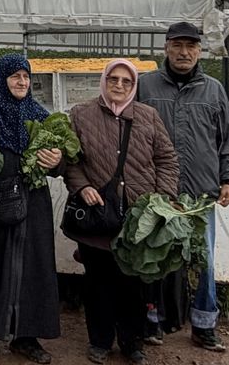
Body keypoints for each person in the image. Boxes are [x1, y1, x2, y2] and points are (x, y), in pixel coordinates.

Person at [136, 21, 229, 352]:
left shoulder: (213, 90)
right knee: (154, 258)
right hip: (158, 193)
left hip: (201, 194)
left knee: (205, 261)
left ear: (200, 50)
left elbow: (228, 139)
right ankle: (151, 320)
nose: (184, 52)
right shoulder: (145, 86)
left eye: (191, 46)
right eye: (178, 45)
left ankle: (204, 324)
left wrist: (228, 179)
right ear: (166, 47)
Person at [66, 60, 179, 365]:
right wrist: (82, 187)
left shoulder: (147, 116)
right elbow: (71, 161)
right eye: (113, 79)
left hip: (137, 217)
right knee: (98, 280)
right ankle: (100, 341)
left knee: (134, 281)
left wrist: (162, 200)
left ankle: (133, 342)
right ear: (104, 81)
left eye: (126, 81)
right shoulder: (81, 114)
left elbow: (167, 159)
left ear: (134, 86)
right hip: (98, 213)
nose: (118, 85)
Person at [0, 53, 63, 364]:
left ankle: (26, 338)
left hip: (34, 207)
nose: (22, 82)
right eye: (15, 76)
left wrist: (58, 160)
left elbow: (62, 161)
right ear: (2, 79)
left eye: (26, 77)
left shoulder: (39, 117)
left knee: (33, 270)